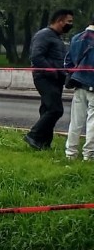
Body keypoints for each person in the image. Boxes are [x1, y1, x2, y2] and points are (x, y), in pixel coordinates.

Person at [25, 9, 76, 150]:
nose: (71, 24)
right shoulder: (44, 35)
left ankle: (43, 144)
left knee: (47, 109)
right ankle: (33, 135)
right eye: (69, 21)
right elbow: (36, 57)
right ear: (60, 21)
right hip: (45, 78)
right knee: (56, 109)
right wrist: (52, 71)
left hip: (56, 79)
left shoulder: (56, 37)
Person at [64, 14, 94, 160]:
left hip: (78, 84)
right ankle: (89, 155)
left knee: (75, 122)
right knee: (92, 122)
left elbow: (68, 62)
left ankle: (70, 153)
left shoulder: (76, 38)